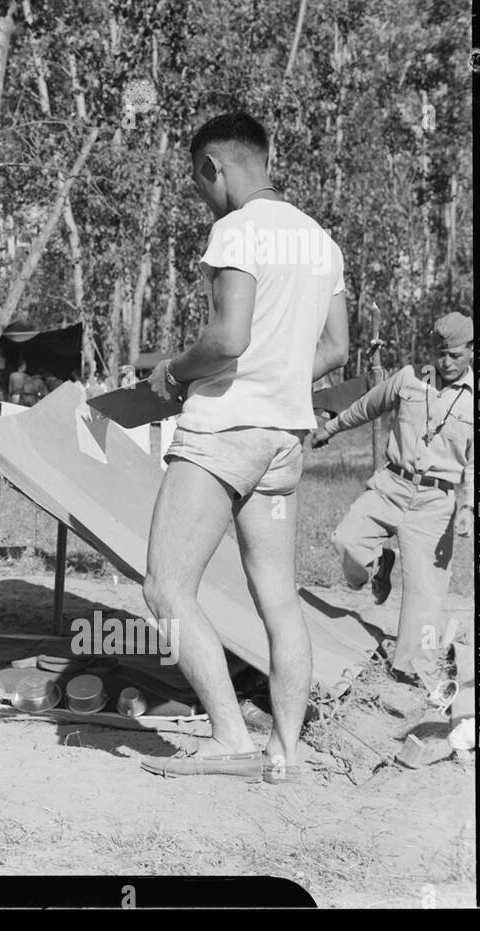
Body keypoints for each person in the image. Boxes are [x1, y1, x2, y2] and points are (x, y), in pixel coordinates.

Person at [138, 112, 348, 781]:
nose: (206, 198)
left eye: (202, 185)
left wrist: (172, 371)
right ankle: (285, 750)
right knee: (279, 600)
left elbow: (227, 339)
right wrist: (281, 378)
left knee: (166, 588)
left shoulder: (236, 229)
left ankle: (231, 739)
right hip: (284, 438)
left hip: (224, 430)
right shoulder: (321, 241)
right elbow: (337, 350)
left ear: (215, 167)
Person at [313, 312, 474, 706]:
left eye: (454, 354)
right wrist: (330, 430)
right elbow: (365, 407)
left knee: (426, 593)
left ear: (471, 351)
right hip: (391, 485)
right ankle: (378, 563)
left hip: (436, 504)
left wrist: (468, 507)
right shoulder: (409, 380)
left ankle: (414, 667)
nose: (447, 362)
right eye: (441, 354)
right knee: (346, 540)